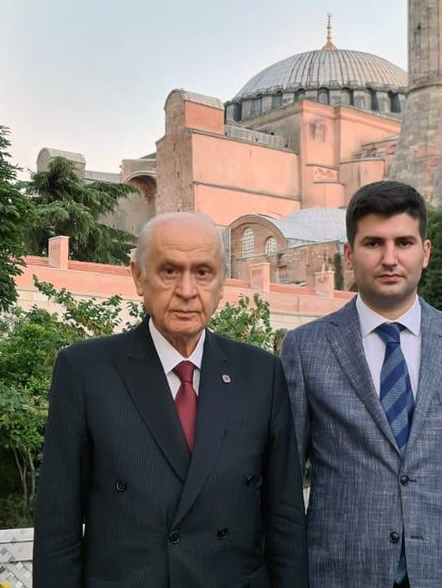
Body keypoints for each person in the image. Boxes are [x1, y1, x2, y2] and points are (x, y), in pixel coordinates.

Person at [33, 211, 308, 588]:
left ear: (222, 283)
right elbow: (57, 527)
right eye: (169, 271)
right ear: (138, 277)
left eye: (203, 272)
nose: (187, 290)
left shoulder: (262, 374)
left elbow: (285, 523)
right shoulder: (85, 371)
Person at [281, 181, 442, 588]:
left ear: (425, 253)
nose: (390, 258)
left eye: (404, 243)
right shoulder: (306, 349)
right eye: (373, 243)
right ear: (348, 254)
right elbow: (283, 488)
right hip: (341, 575)